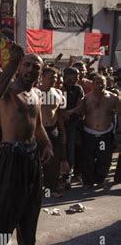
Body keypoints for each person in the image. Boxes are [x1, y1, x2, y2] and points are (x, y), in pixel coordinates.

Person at [0, 45, 54, 245]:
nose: (31, 69)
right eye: (27, 64)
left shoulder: (36, 95)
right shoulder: (8, 91)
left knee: (32, 205)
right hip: (11, 155)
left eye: (37, 67)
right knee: (3, 210)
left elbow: (38, 125)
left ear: (40, 73)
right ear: (20, 67)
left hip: (32, 155)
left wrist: (48, 145)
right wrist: (11, 62)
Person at [66, 74, 121, 188]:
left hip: (105, 134)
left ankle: (99, 179)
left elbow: (119, 114)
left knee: (104, 158)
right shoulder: (86, 98)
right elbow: (79, 110)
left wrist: (118, 130)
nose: (100, 85)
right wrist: (69, 112)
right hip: (89, 133)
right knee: (87, 159)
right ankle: (88, 181)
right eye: (98, 83)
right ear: (92, 84)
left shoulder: (113, 98)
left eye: (103, 83)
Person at [38, 67, 69, 198]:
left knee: (53, 163)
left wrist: (63, 134)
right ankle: (34, 189)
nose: (54, 80)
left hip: (53, 130)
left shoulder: (59, 93)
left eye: (55, 78)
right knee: (35, 162)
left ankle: (51, 189)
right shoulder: (33, 92)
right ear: (42, 77)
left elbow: (60, 115)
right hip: (36, 131)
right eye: (51, 77)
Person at [62, 67, 85, 188]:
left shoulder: (78, 89)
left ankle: (67, 176)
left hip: (72, 124)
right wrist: (62, 114)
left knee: (70, 149)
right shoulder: (59, 87)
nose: (77, 77)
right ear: (67, 76)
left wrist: (69, 112)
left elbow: (80, 105)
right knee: (58, 149)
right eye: (75, 75)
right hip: (58, 123)